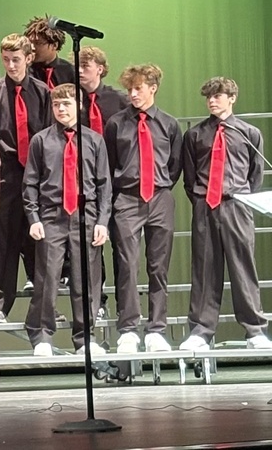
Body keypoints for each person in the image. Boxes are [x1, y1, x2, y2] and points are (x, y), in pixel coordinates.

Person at [180, 77, 272, 351]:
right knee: (205, 268)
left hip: (236, 204)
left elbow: (255, 174)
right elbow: (189, 175)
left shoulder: (249, 133)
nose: (211, 101)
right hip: (205, 205)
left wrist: (239, 196)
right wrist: (202, 199)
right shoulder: (195, 135)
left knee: (243, 267)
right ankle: (201, 330)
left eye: (217, 96)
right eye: (208, 97)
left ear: (231, 98)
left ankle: (254, 330)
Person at [23, 84, 111, 357]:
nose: (61, 109)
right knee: (47, 278)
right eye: (57, 105)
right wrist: (33, 217)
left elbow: (104, 184)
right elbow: (31, 183)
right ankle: (43, 336)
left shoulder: (94, 141)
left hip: (86, 216)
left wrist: (102, 221)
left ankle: (86, 337)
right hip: (51, 215)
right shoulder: (41, 140)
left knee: (85, 279)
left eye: (67, 104)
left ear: (79, 106)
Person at [107, 64, 183, 354]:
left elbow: (174, 165)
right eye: (130, 89)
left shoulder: (169, 124)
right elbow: (111, 161)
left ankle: (156, 329)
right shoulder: (116, 123)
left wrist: (161, 187)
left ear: (153, 88)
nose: (133, 94)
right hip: (127, 198)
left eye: (138, 88)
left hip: (160, 198)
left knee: (158, 266)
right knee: (127, 264)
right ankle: (128, 328)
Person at [0, 34, 50, 321]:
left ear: (28, 58)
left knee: (39, 239)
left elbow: (47, 135)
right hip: (6, 172)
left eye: (16, 59)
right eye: (6, 60)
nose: (10, 65)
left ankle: (44, 306)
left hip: (36, 173)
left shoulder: (44, 93)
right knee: (2, 240)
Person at [77, 45, 129, 317]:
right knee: (91, 245)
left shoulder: (118, 100)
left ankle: (125, 306)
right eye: (78, 66)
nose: (81, 71)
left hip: (116, 181)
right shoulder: (73, 99)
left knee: (121, 245)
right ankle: (98, 302)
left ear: (100, 68)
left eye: (86, 66)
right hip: (86, 183)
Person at [23, 15, 75, 90]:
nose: (32, 47)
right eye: (30, 42)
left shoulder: (70, 71)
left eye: (38, 43)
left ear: (54, 45)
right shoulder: (25, 70)